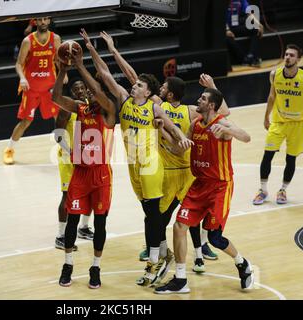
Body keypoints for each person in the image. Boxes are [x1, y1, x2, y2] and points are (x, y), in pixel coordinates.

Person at [99, 31, 226, 268]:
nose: (160, 88)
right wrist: (114, 51)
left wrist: (213, 88)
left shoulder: (178, 108)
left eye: (164, 86)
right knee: (161, 214)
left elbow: (221, 112)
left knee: (181, 212)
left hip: (181, 169)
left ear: (169, 93)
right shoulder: (168, 107)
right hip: (170, 168)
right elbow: (132, 77)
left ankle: (195, 251)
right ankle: (164, 248)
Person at [80, 29, 193, 287]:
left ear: (148, 91)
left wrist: (180, 138)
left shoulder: (154, 106)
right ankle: (162, 255)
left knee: (152, 215)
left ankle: (155, 262)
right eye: (135, 83)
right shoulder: (124, 99)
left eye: (140, 85)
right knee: (148, 214)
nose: (134, 85)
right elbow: (106, 75)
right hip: (133, 165)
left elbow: (171, 126)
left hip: (151, 164)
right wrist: (91, 48)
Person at [155, 88, 253, 294]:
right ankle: (180, 279)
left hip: (219, 187)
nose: (198, 100)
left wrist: (229, 131)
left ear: (211, 105)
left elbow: (246, 137)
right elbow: (178, 148)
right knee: (179, 226)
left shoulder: (222, 123)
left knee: (215, 238)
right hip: (198, 185)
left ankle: (242, 263)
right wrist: (161, 130)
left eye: (203, 98)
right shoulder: (195, 124)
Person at [53, 46, 116, 289]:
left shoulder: (109, 110)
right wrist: (63, 70)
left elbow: (100, 92)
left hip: (100, 174)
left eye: (90, 89)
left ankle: (95, 267)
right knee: (72, 221)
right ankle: (68, 264)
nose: (88, 92)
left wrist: (80, 64)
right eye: (85, 90)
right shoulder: (79, 109)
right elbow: (56, 98)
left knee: (100, 224)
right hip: (80, 172)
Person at [253, 44, 303, 205]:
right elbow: (272, 96)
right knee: (267, 155)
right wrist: (266, 117)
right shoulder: (274, 74)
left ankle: (283, 190)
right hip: (279, 122)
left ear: (298, 59)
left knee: (291, 159)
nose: (287, 57)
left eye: (291, 55)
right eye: (286, 54)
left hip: (298, 124)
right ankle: (263, 190)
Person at [3, 17, 62, 165]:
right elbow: (18, 64)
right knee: (26, 121)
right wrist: (22, 78)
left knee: (59, 117)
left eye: (46, 20)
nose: (43, 22)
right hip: (31, 89)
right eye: (40, 20)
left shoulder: (55, 39)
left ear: (49, 21)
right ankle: (9, 150)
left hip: (49, 87)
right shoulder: (28, 41)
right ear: (35, 22)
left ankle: (65, 148)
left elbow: (59, 61)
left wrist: (64, 73)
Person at [54, 83, 96, 252]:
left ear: (86, 90)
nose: (79, 90)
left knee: (92, 192)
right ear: (71, 93)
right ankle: (61, 236)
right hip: (68, 158)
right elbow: (57, 135)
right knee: (67, 196)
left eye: (81, 88)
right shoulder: (67, 108)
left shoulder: (90, 107)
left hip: (86, 158)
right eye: (75, 89)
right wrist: (71, 152)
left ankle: (84, 228)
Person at [226, 0, 264, 67]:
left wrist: (258, 24)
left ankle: (250, 56)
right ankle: (243, 59)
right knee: (227, 38)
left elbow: (249, 13)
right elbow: (219, 16)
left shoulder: (241, 1)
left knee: (256, 29)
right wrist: (227, 30)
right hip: (225, 28)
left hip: (236, 26)